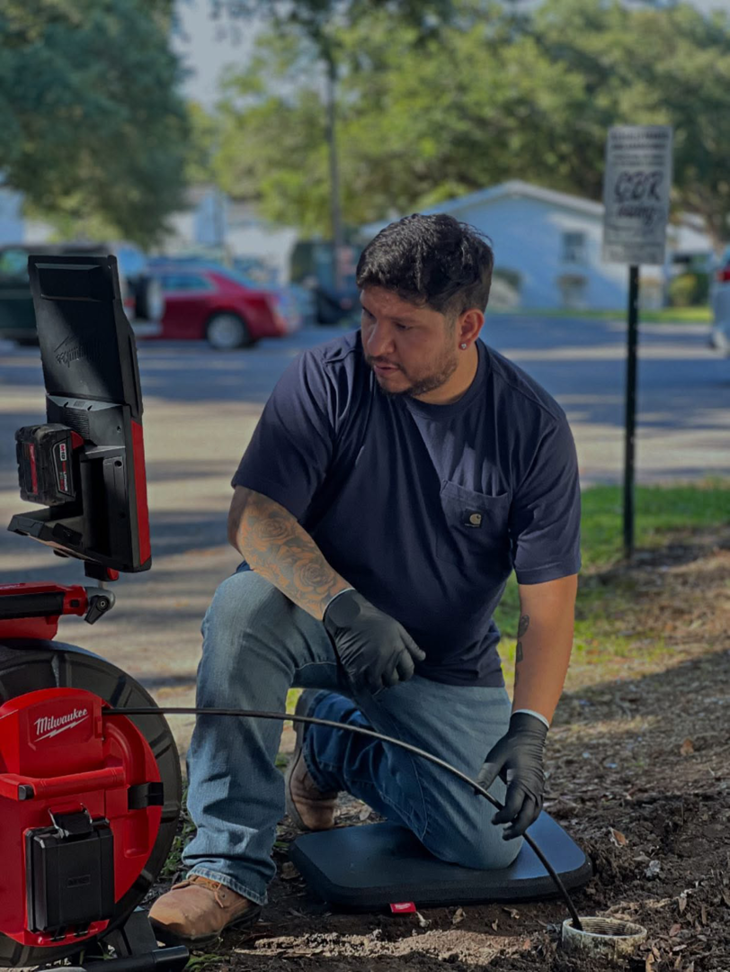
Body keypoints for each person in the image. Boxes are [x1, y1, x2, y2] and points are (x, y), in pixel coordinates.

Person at [149, 214, 581, 945]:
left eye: (405, 326)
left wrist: (529, 731)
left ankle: (332, 747)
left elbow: (549, 610)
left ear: (467, 325)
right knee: (242, 606)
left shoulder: (530, 427)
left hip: (438, 660)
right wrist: (343, 606)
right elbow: (253, 521)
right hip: (320, 621)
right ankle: (224, 867)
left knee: (485, 842)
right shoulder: (326, 379)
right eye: (369, 316)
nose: (377, 342)